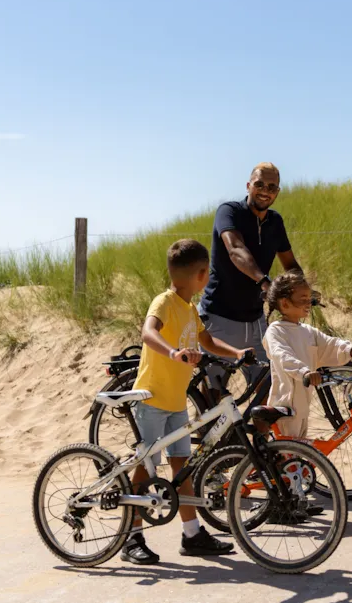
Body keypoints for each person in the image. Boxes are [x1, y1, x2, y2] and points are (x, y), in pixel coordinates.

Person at [122, 239, 251, 565]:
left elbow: (206, 340)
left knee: (182, 465)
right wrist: (173, 352)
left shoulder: (190, 309)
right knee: (146, 467)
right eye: (207, 273)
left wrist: (236, 353)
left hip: (176, 402)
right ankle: (131, 537)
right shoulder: (164, 302)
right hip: (151, 398)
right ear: (201, 275)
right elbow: (148, 332)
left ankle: (192, 534)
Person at [198, 162, 302, 392]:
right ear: (248, 185)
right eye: (260, 184)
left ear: (278, 192)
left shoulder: (275, 222)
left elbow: (290, 264)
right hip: (219, 319)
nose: (265, 190)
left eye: (272, 186)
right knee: (214, 395)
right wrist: (265, 282)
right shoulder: (229, 212)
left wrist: (302, 291)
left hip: (256, 322)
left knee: (267, 390)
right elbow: (236, 250)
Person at [262, 270, 352, 438]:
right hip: (285, 409)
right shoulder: (276, 331)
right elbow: (282, 356)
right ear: (284, 304)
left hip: (303, 408)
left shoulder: (308, 332)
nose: (308, 303)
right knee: (288, 458)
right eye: (302, 299)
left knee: (297, 459)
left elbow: (331, 344)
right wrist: (304, 372)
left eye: (309, 298)